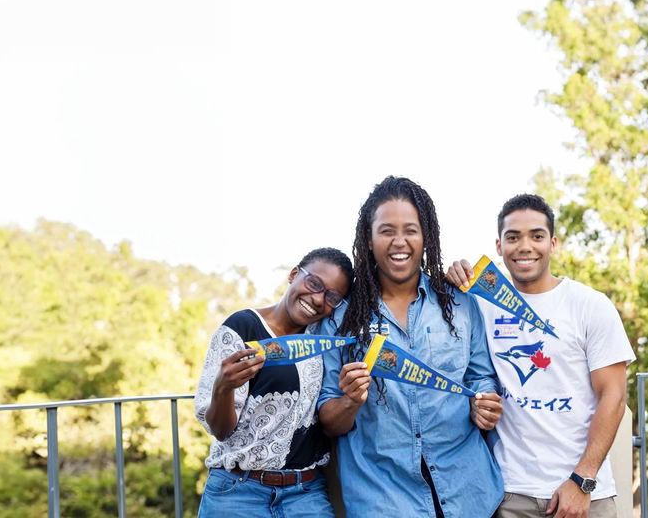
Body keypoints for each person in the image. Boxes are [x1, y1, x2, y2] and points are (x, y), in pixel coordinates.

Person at [317, 176, 504, 518]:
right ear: (368, 239)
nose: (399, 241)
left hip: (470, 495)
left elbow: (481, 378)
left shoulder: (461, 304)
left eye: (410, 230)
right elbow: (329, 421)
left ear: (426, 237)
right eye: (386, 230)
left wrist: (485, 404)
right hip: (384, 501)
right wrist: (350, 400)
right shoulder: (340, 319)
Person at [446, 194, 636, 518]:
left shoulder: (590, 305)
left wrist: (582, 480)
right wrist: (450, 273)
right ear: (498, 245)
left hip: (586, 494)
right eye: (513, 237)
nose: (525, 246)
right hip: (510, 494)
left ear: (553, 243)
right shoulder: (479, 304)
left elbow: (614, 397)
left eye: (536, 236)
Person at [195, 247, 353, 518]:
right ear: (293, 275)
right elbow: (220, 430)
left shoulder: (325, 340)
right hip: (238, 493)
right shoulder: (242, 328)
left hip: (305, 494)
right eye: (314, 283)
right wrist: (223, 388)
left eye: (332, 297)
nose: (317, 299)